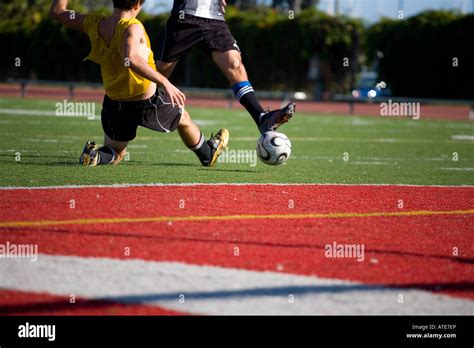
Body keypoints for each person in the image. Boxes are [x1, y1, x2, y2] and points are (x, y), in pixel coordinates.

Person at [50, 0, 229, 167]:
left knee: (116, 153)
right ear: (137, 4)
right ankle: (207, 154)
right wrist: (165, 82)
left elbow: (58, 12)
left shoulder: (94, 23)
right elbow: (131, 59)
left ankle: (95, 156)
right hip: (147, 103)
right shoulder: (133, 27)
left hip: (115, 103)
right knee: (184, 118)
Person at [157, 0, 295, 135]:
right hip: (185, 17)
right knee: (162, 71)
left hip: (215, 19)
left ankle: (261, 118)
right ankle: (139, 104)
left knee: (234, 63)